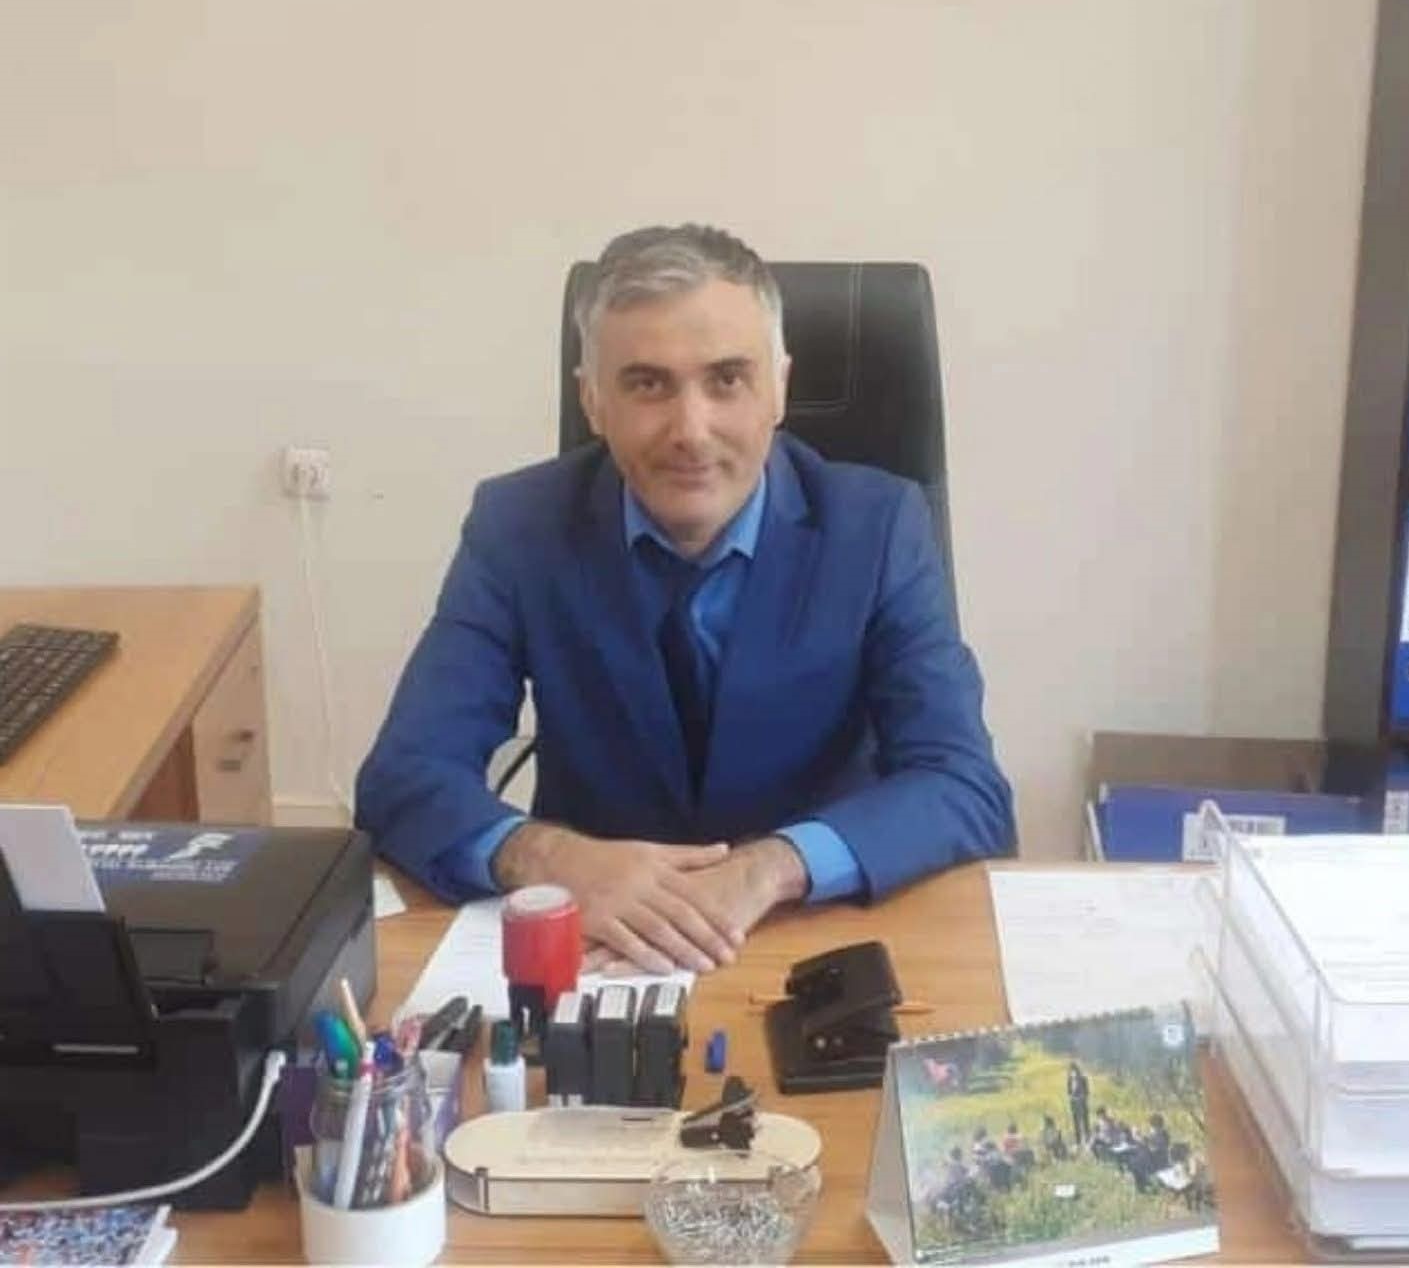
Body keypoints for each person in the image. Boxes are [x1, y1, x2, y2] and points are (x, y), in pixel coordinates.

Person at [356, 223, 1015, 975]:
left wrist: (771, 867)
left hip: (816, 940)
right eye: (647, 384)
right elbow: (403, 777)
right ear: (593, 399)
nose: (691, 432)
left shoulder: (880, 526)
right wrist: (548, 857)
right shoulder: (518, 527)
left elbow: (963, 786)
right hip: (600, 945)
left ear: (779, 388)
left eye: (727, 379)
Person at [1066, 1060, 1090, 1146]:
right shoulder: (1070, 1080)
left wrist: (1081, 1096)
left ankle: (1087, 1140)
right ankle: (1078, 1141)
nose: (1073, 1072)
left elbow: (1087, 1092)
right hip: (1074, 1104)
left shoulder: (1083, 1078)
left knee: (1085, 1122)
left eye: (1074, 1069)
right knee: (1076, 1123)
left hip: (1082, 1103)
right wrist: (1072, 1098)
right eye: (1071, 1070)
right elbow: (1069, 1092)